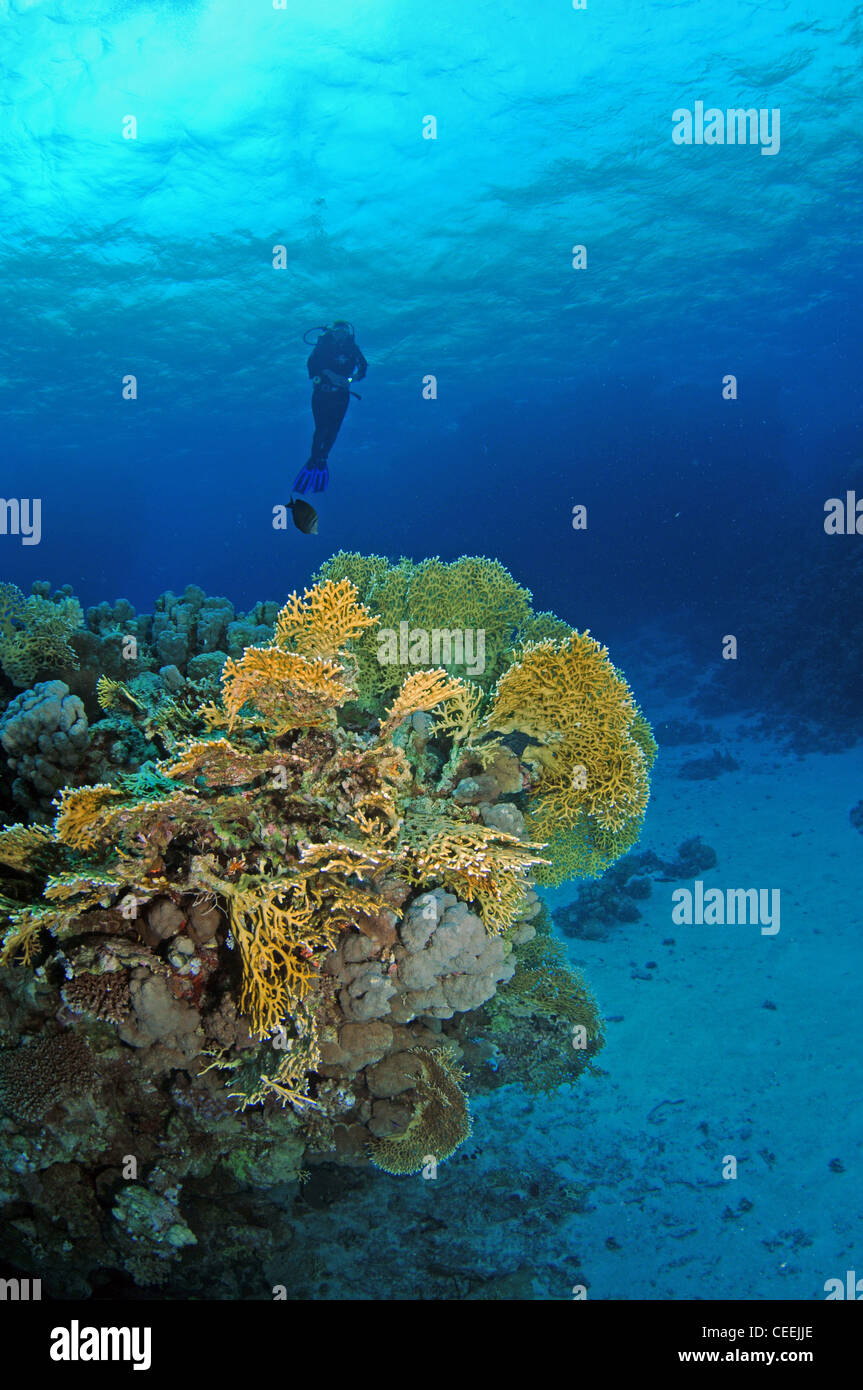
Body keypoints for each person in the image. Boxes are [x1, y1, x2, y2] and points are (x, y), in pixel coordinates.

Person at [293, 321, 367, 494]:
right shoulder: (322, 347)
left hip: (342, 395)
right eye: (338, 331)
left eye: (344, 332)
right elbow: (311, 366)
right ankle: (313, 460)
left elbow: (363, 368)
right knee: (321, 429)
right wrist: (329, 374)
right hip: (322, 394)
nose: (341, 335)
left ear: (348, 334)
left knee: (334, 430)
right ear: (332, 333)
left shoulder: (352, 349)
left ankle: (322, 458)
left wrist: (350, 380)